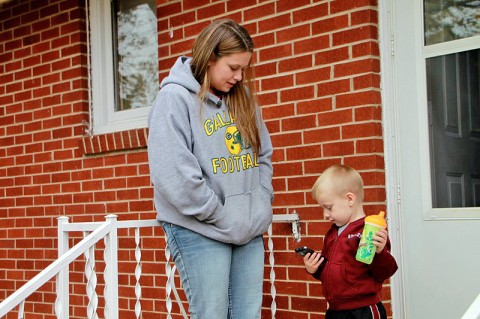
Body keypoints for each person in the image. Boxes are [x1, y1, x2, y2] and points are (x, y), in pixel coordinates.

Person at [147, 19, 274, 319]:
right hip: (200, 228)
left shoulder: (243, 100)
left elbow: (263, 154)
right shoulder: (174, 99)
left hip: (247, 228)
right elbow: (175, 174)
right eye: (233, 67)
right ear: (210, 57)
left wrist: (261, 200)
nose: (240, 76)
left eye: (244, 68)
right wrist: (219, 213)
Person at [302, 164, 398, 319]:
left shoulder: (369, 231)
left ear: (349, 199)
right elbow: (332, 271)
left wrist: (380, 253)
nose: (325, 214)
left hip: (363, 311)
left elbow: (384, 272)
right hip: (335, 310)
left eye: (329, 207)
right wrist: (315, 269)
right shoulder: (332, 233)